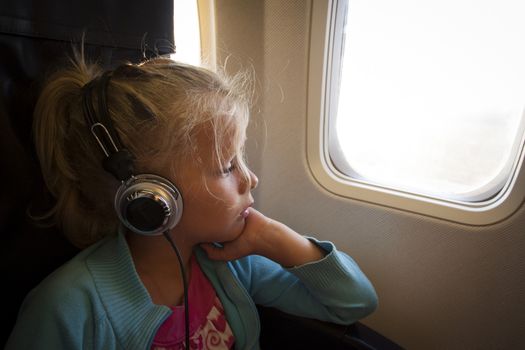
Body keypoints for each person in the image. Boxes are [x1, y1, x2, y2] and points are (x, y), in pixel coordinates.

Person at [6, 52, 377, 350]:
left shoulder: (232, 263)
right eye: (227, 166)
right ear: (149, 194)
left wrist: (276, 239)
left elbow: (354, 302)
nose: (250, 178)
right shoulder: (70, 307)